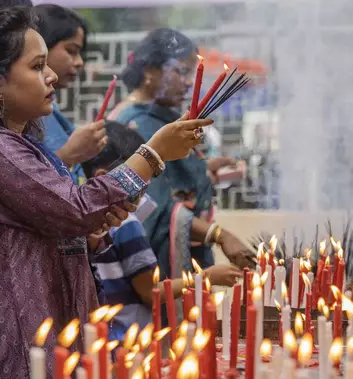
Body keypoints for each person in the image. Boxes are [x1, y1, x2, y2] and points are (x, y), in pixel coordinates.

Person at [0, 7, 213, 379]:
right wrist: (152, 153)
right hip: (13, 345)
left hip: (48, 334)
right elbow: (75, 206)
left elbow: (65, 219)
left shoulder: (23, 147)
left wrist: (91, 233)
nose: (50, 75)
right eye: (37, 66)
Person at [108, 28, 252, 283]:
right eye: (181, 71)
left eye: (190, 72)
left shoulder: (158, 115)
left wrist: (205, 171)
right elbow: (153, 204)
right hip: (154, 265)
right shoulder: (133, 124)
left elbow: (170, 177)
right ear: (149, 71)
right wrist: (219, 234)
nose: (188, 82)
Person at [83, 122, 244, 341]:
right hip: (130, 339)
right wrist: (206, 276)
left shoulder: (83, 220)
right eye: (141, 177)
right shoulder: (126, 223)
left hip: (102, 337)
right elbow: (151, 292)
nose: (147, 187)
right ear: (104, 176)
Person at [34, 4, 107, 185]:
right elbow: (21, 186)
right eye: (71, 51)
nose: (80, 62)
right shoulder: (19, 115)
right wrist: (69, 155)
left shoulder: (49, 105)